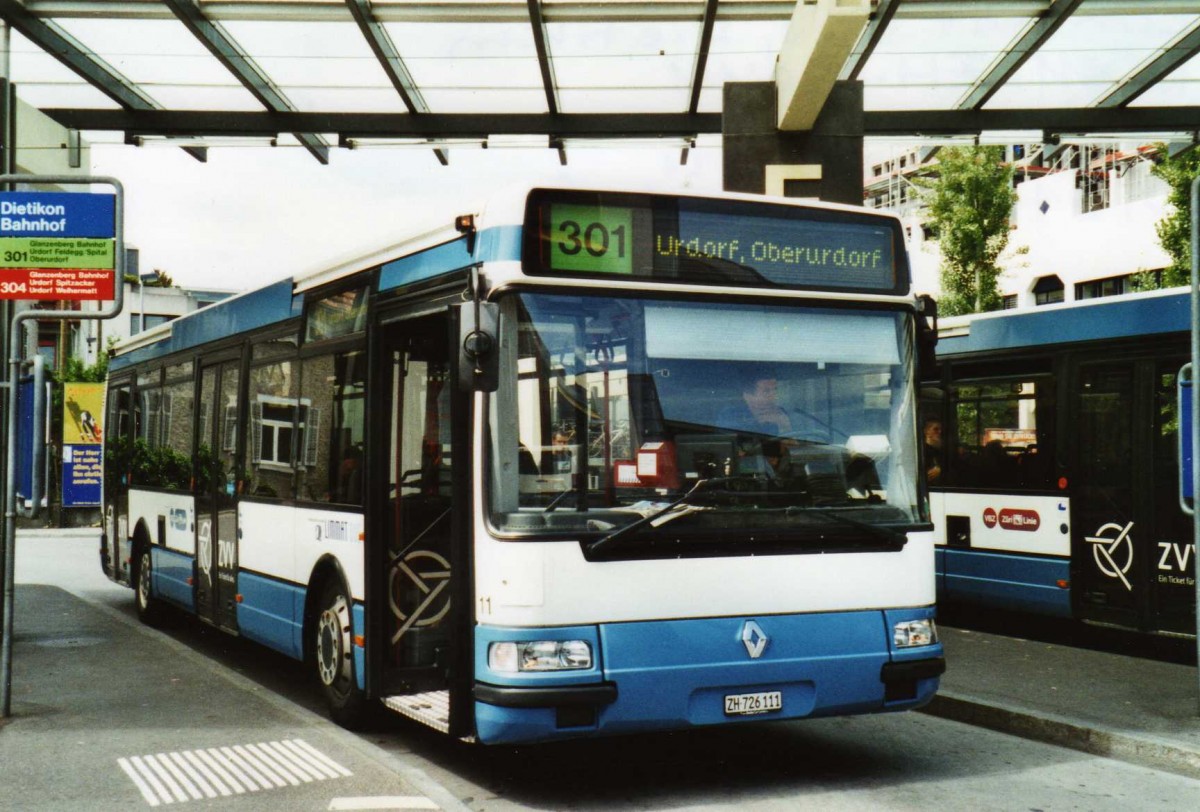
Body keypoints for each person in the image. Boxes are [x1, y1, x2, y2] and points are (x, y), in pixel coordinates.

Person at [924, 417, 943, 484]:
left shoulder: (941, 451)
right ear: (926, 431)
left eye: (941, 429)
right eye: (936, 429)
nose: (939, 432)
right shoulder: (922, 451)